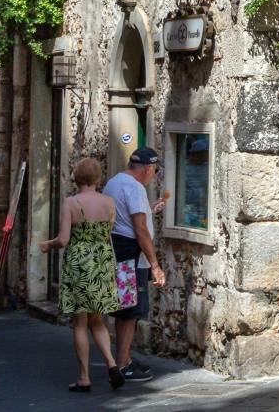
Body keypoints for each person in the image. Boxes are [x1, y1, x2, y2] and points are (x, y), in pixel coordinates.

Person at [44, 158, 125, 392]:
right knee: (97, 319)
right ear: (98, 179)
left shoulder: (71, 203)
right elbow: (108, 230)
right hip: (102, 261)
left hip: (79, 263)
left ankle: (84, 377)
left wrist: (47, 245)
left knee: (80, 322)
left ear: (76, 178)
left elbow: (64, 239)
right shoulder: (109, 203)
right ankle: (111, 363)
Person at [104, 149, 166, 383]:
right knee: (130, 312)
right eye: (154, 171)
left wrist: (148, 209)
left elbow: (123, 218)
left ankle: (124, 359)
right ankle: (122, 365)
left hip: (117, 251)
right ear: (148, 168)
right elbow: (140, 229)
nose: (153, 175)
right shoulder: (135, 188)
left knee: (123, 309)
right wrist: (155, 265)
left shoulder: (114, 182)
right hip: (131, 255)